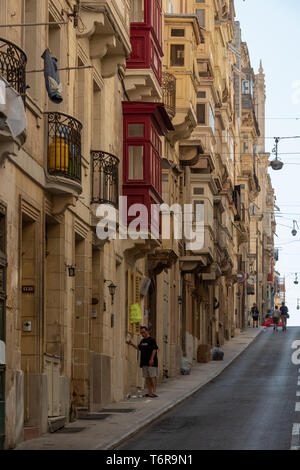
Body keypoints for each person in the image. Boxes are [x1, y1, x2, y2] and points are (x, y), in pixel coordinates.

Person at [128, 326, 159, 398]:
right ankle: (149, 392)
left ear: (147, 331)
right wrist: (132, 344)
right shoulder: (142, 341)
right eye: (141, 333)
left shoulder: (152, 340)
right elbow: (139, 348)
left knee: (152, 377)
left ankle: (154, 392)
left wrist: (152, 359)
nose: (142, 334)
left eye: (144, 332)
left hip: (151, 362)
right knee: (147, 377)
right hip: (144, 362)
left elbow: (154, 349)